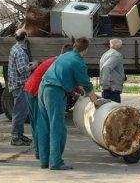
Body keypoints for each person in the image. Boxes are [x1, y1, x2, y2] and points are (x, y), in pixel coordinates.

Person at [36, 37, 99, 170]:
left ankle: (44, 160)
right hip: (54, 92)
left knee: (45, 125)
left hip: (42, 88)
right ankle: (56, 162)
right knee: (57, 127)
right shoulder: (78, 62)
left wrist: (80, 90)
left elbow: (68, 76)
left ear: (74, 46)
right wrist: (95, 100)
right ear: (85, 50)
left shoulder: (65, 55)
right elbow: (86, 84)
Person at [23, 43, 73, 160]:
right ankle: (41, 153)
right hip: (35, 91)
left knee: (38, 123)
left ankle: (40, 152)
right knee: (40, 124)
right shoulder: (59, 63)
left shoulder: (54, 60)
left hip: (31, 89)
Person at [8, 28, 36, 146]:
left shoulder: (15, 48)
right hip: (19, 85)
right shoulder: (20, 51)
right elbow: (21, 70)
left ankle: (19, 134)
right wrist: (34, 65)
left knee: (22, 111)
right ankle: (15, 137)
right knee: (19, 112)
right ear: (25, 38)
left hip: (17, 84)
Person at [99, 38, 125, 103]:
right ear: (119, 45)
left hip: (109, 88)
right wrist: (106, 85)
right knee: (114, 110)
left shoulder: (105, 54)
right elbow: (106, 68)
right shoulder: (116, 55)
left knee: (106, 109)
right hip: (112, 88)